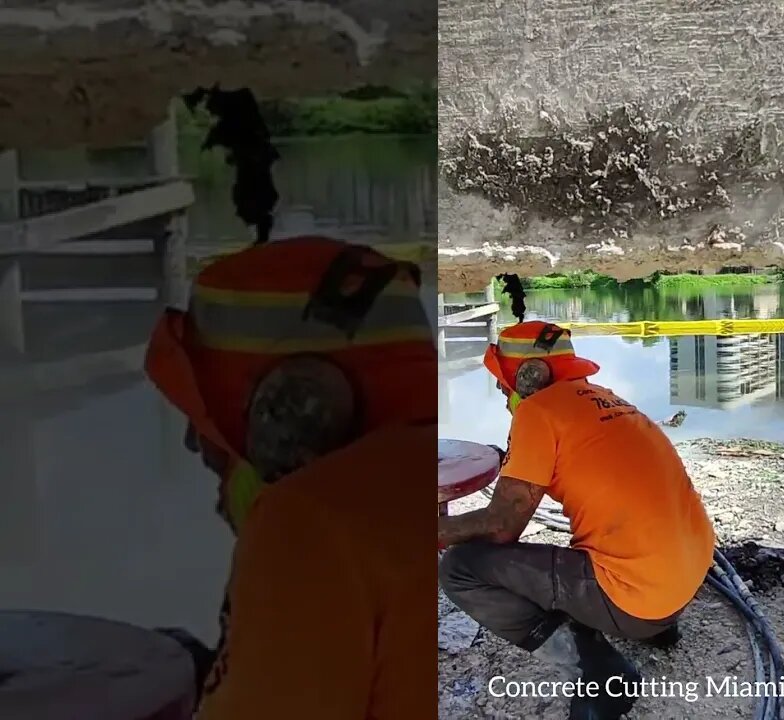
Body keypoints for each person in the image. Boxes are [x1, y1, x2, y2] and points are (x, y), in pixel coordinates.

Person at [144, 236, 437, 720]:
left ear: (291, 412)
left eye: (214, 425)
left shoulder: (312, 521)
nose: (198, 448)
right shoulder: (476, 466)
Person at [438, 320, 716, 720]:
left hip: (636, 601)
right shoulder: (607, 400)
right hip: (686, 578)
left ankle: (599, 676)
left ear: (531, 377)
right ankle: (660, 628)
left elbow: (503, 525)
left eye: (504, 383)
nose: (502, 393)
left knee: (460, 568)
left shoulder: (537, 412)